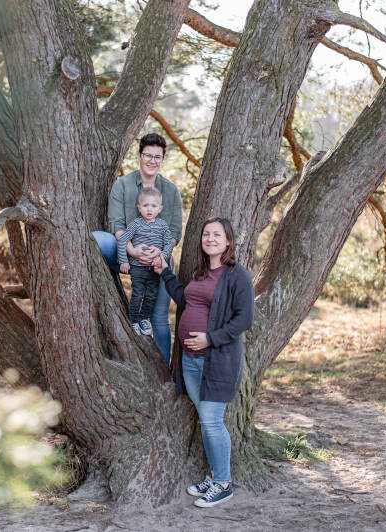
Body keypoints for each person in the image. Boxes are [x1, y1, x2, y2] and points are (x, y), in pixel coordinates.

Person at [153, 217, 254, 508]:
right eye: (206, 234)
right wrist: (165, 272)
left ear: (228, 241)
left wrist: (210, 339)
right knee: (206, 421)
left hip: (216, 362)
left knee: (211, 422)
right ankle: (214, 476)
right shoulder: (199, 274)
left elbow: (243, 319)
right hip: (190, 361)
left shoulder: (237, 276)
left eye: (217, 234)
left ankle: (223, 484)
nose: (210, 238)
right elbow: (185, 299)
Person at [92, 133, 183, 364]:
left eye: (157, 157)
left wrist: (159, 255)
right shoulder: (122, 186)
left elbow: (174, 232)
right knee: (97, 238)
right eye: (148, 155)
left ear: (163, 158)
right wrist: (132, 252)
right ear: (139, 155)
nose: (152, 160)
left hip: (158, 263)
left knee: (159, 317)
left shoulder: (170, 191)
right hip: (126, 253)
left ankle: (162, 375)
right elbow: (117, 226)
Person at [117, 186, 174, 335]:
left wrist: (161, 256)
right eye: (145, 205)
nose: (149, 209)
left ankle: (143, 318)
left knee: (151, 295)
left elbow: (169, 243)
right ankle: (134, 321)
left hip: (154, 269)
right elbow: (123, 240)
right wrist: (124, 261)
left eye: (153, 206)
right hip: (137, 267)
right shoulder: (136, 224)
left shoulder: (162, 226)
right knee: (137, 294)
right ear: (139, 207)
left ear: (160, 208)